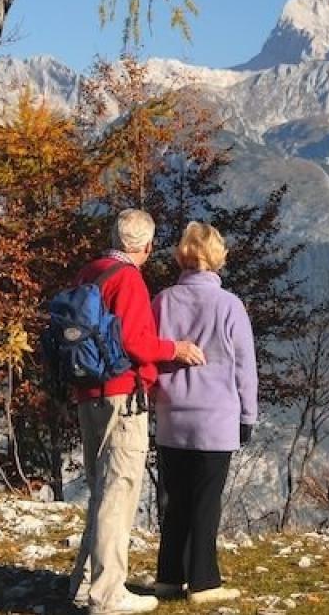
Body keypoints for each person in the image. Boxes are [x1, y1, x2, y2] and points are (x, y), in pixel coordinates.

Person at [68, 209, 206, 614]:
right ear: (145, 246)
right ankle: (108, 593)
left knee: (100, 489)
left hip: (87, 390)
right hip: (121, 393)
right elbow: (134, 340)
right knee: (120, 488)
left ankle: (84, 586)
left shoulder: (90, 270)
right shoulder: (128, 279)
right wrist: (174, 349)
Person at [150, 221, 259, 605]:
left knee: (174, 499)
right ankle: (204, 581)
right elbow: (244, 366)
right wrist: (248, 416)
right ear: (217, 257)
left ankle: (168, 577)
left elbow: (150, 350)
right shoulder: (229, 305)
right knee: (206, 500)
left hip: (171, 413)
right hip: (216, 415)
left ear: (182, 255)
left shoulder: (162, 301)